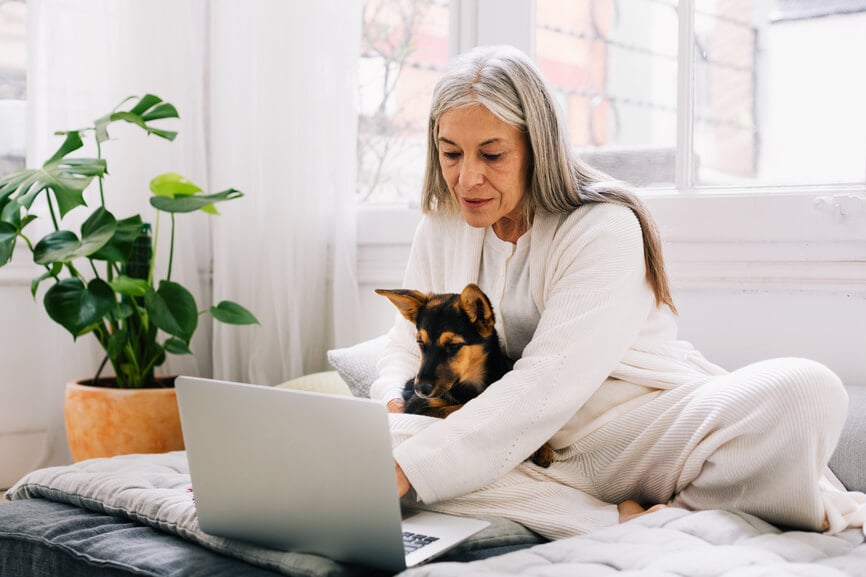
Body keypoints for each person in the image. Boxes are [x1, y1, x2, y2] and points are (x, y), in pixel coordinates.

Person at [369, 44, 866, 540]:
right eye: (450, 153)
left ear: (537, 147)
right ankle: (615, 519)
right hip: (522, 450)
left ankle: (588, 510)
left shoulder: (604, 227)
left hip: (633, 433)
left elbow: (547, 383)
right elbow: (399, 344)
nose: (466, 177)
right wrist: (394, 401)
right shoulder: (441, 226)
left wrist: (415, 463)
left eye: (492, 154)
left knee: (806, 390)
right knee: (393, 438)